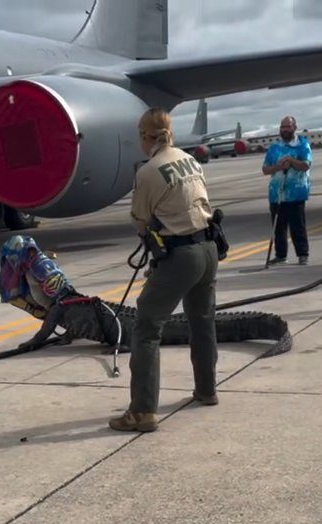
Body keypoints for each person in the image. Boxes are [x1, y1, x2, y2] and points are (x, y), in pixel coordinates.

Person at [108, 108, 219, 433]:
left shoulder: (148, 171)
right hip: (208, 248)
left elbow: (140, 220)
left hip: (180, 255)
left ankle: (142, 411)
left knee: (146, 328)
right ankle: (206, 389)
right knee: (202, 321)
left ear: (146, 137)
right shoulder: (191, 159)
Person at [262, 115, 312, 265]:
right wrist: (277, 166)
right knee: (279, 227)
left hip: (295, 192)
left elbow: (306, 165)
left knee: (297, 225)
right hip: (277, 193)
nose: (284, 130)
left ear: (294, 128)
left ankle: (303, 254)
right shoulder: (274, 148)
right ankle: (281, 254)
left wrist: (291, 161)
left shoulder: (302, 145)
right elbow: (265, 169)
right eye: (282, 127)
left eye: (287, 127)